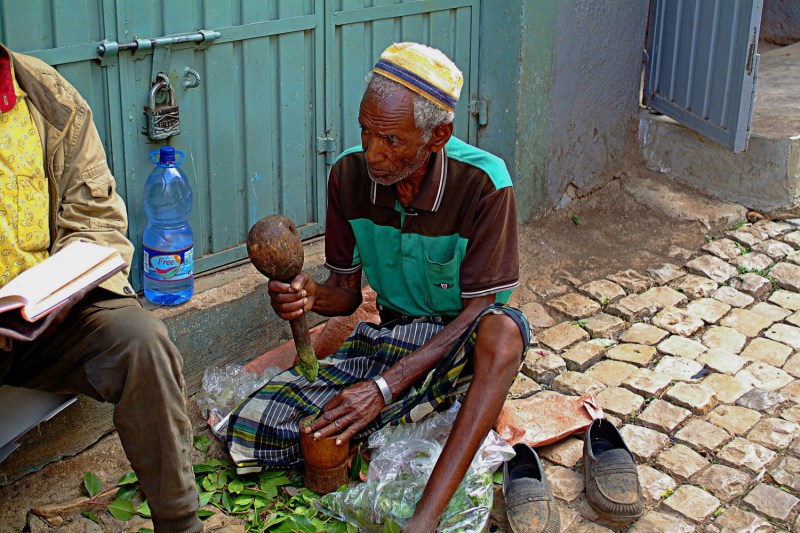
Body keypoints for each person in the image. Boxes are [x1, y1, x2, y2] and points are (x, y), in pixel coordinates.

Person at [228, 42, 529, 532]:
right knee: (251, 427)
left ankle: (425, 516)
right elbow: (346, 294)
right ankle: (437, 421)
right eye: (366, 132)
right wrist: (310, 295)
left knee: (505, 332)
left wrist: (382, 389)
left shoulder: (485, 184)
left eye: (391, 140)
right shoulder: (347, 175)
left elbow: (477, 312)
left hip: (458, 347)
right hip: (390, 342)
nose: (373, 153)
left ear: (438, 136)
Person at [0, 45, 202, 533]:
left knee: (141, 342)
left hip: (39, 320)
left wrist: (64, 291)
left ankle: (180, 523)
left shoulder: (43, 94)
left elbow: (97, 217)